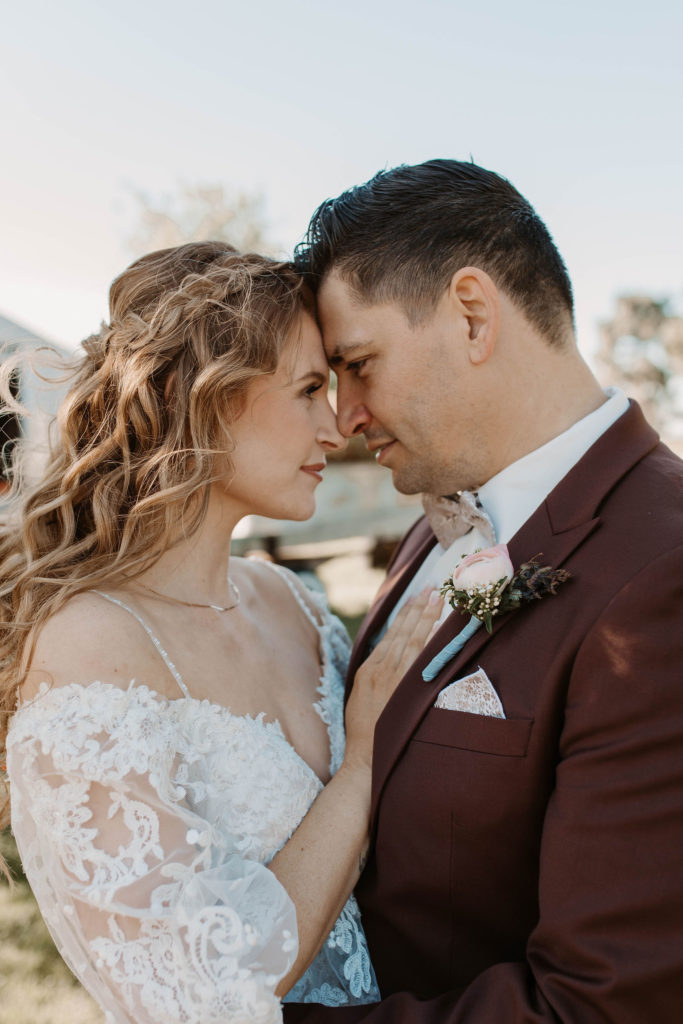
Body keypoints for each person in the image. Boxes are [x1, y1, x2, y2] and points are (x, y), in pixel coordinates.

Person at [0, 242, 443, 1024]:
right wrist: (363, 760)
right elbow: (206, 986)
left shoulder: (293, 602)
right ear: (198, 398)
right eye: (308, 389)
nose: (336, 426)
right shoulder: (88, 647)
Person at [284, 160, 683, 1022]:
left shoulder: (665, 572)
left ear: (471, 314)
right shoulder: (439, 522)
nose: (343, 416)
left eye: (357, 363)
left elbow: (600, 1007)